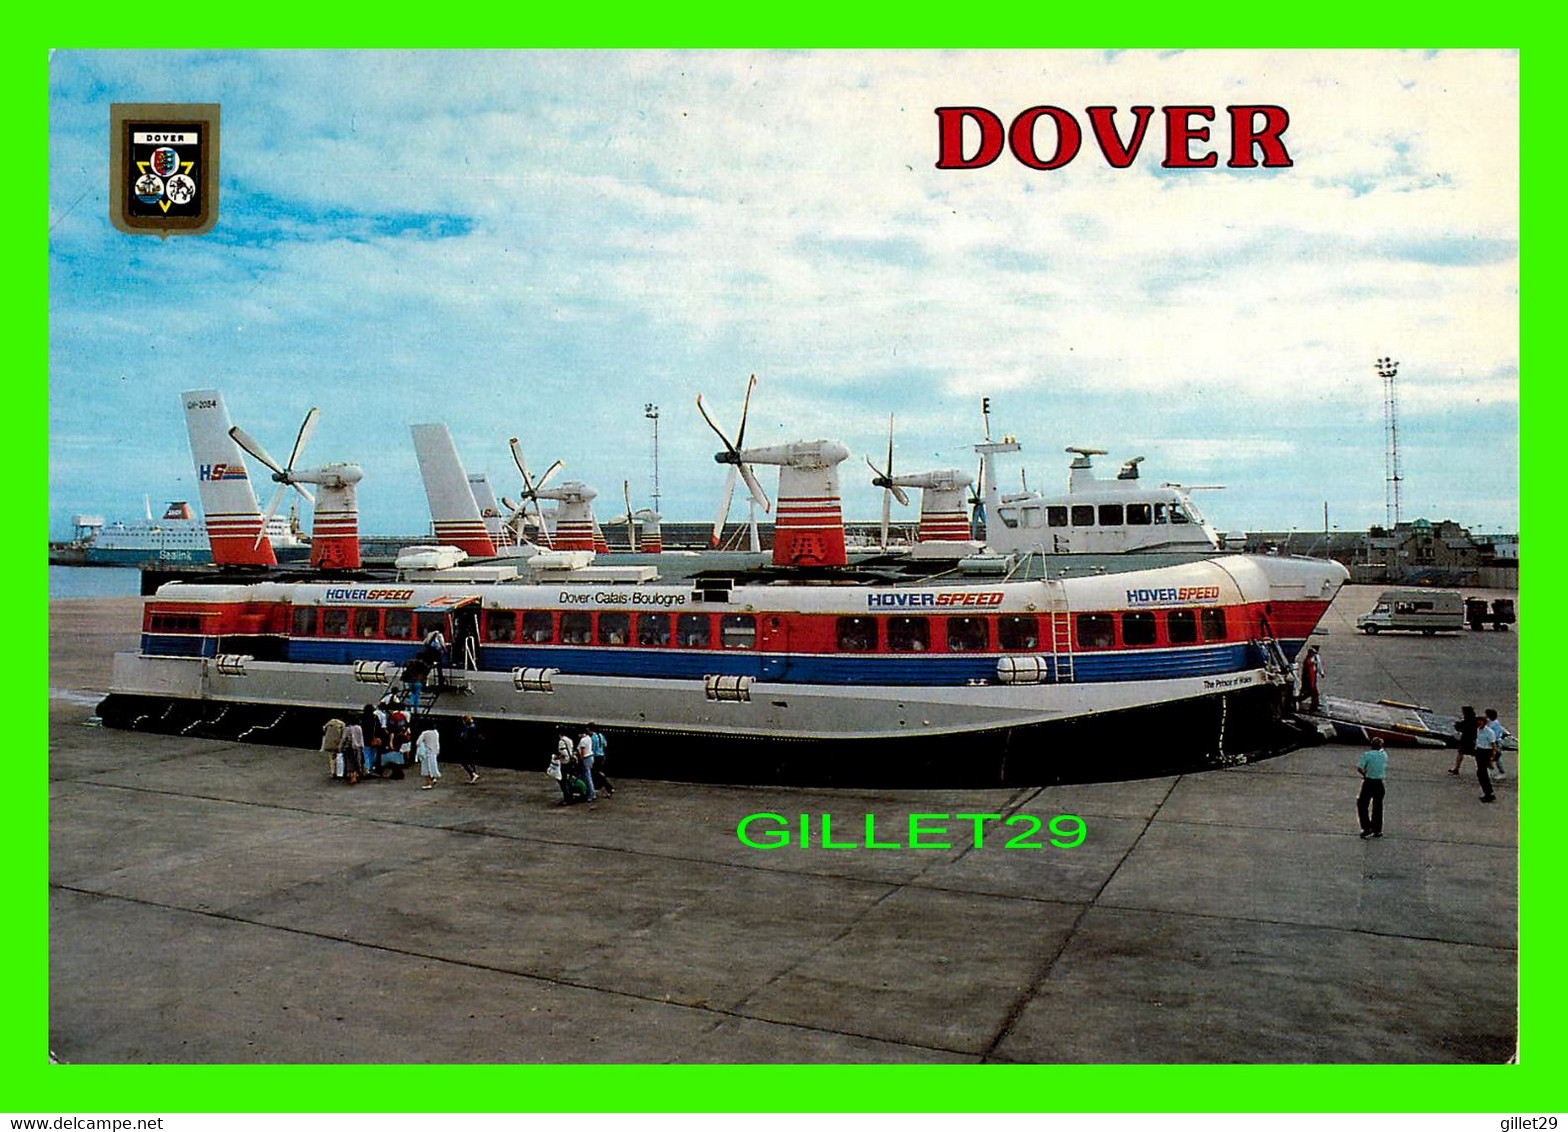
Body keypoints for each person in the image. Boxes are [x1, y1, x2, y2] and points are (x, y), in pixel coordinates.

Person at [1454, 706, 1493, 802]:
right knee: (1480, 773)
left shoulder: (1488, 732)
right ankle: (1487, 792)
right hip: (1479, 749)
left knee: (1482, 773)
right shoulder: (1479, 729)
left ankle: (1489, 794)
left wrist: (1491, 758)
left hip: (1485, 751)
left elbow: (1493, 745)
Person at [1355, 737, 1388, 838]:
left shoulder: (1367, 755)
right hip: (1379, 782)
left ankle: (1366, 827)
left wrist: (1365, 774)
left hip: (1369, 782)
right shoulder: (1384, 755)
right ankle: (1377, 829)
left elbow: (1360, 768)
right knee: (1378, 806)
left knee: (1362, 804)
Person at [588, 723, 614, 796]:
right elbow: (605, 744)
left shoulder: (593, 737)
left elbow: (592, 748)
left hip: (596, 756)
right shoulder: (601, 736)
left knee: (595, 772)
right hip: (602, 755)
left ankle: (608, 787)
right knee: (597, 772)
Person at [1482, 708, 1509, 778]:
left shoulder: (1495, 724)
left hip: (1496, 743)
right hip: (1489, 742)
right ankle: (1491, 771)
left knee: (1497, 758)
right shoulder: (1490, 723)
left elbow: (1496, 735)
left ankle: (1502, 772)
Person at [456, 714, 482, 783]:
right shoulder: (470, 725)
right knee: (470, 761)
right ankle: (473, 775)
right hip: (470, 746)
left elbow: (469, 737)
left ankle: (473, 774)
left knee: (465, 761)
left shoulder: (471, 727)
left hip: (469, 746)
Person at [415, 723, 442, 790]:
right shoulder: (436, 733)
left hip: (427, 752)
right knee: (433, 766)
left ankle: (429, 783)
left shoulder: (425, 733)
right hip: (434, 751)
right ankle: (433, 778)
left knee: (426, 768)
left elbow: (418, 743)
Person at [1298, 645, 1324, 712]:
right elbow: (1307, 670)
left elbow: (1318, 665)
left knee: (1313, 692)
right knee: (1310, 691)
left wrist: (1321, 673)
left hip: (1312, 676)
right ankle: (1299, 701)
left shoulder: (1314, 658)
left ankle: (1314, 705)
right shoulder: (1307, 660)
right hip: (1308, 677)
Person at [339, 720, 365, 785]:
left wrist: (340, 747)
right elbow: (361, 738)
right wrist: (362, 746)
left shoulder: (348, 729)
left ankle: (352, 777)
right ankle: (356, 775)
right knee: (357, 761)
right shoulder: (359, 728)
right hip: (358, 747)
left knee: (350, 762)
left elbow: (344, 738)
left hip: (349, 748)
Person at [576, 728, 598, 802]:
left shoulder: (583, 740)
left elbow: (582, 752)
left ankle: (591, 794)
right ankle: (589, 792)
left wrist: (580, 760)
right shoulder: (588, 738)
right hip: (590, 757)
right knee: (587, 776)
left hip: (586, 758)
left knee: (587, 777)